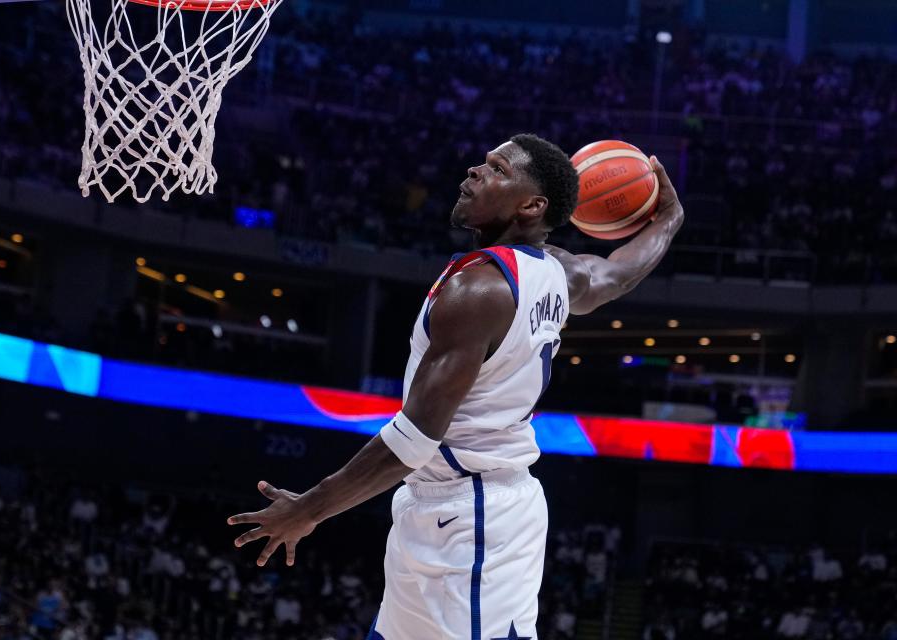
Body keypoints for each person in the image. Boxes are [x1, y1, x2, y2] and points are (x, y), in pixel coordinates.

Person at [228, 133, 685, 639]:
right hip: (445, 507)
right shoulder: (555, 270)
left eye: (497, 168)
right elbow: (613, 276)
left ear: (532, 205)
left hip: (474, 519)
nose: (474, 171)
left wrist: (307, 511)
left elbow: (413, 440)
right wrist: (667, 221)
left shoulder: (480, 290)